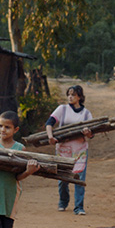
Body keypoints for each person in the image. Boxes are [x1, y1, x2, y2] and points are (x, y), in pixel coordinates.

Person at [46, 85, 93, 215]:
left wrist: (87, 132)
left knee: (79, 178)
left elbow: (91, 134)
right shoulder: (62, 109)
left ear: (80, 96)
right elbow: (49, 123)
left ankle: (79, 207)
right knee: (63, 179)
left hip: (80, 150)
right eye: (69, 94)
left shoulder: (86, 113)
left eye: (73, 94)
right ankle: (63, 201)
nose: (70, 97)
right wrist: (50, 137)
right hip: (63, 150)